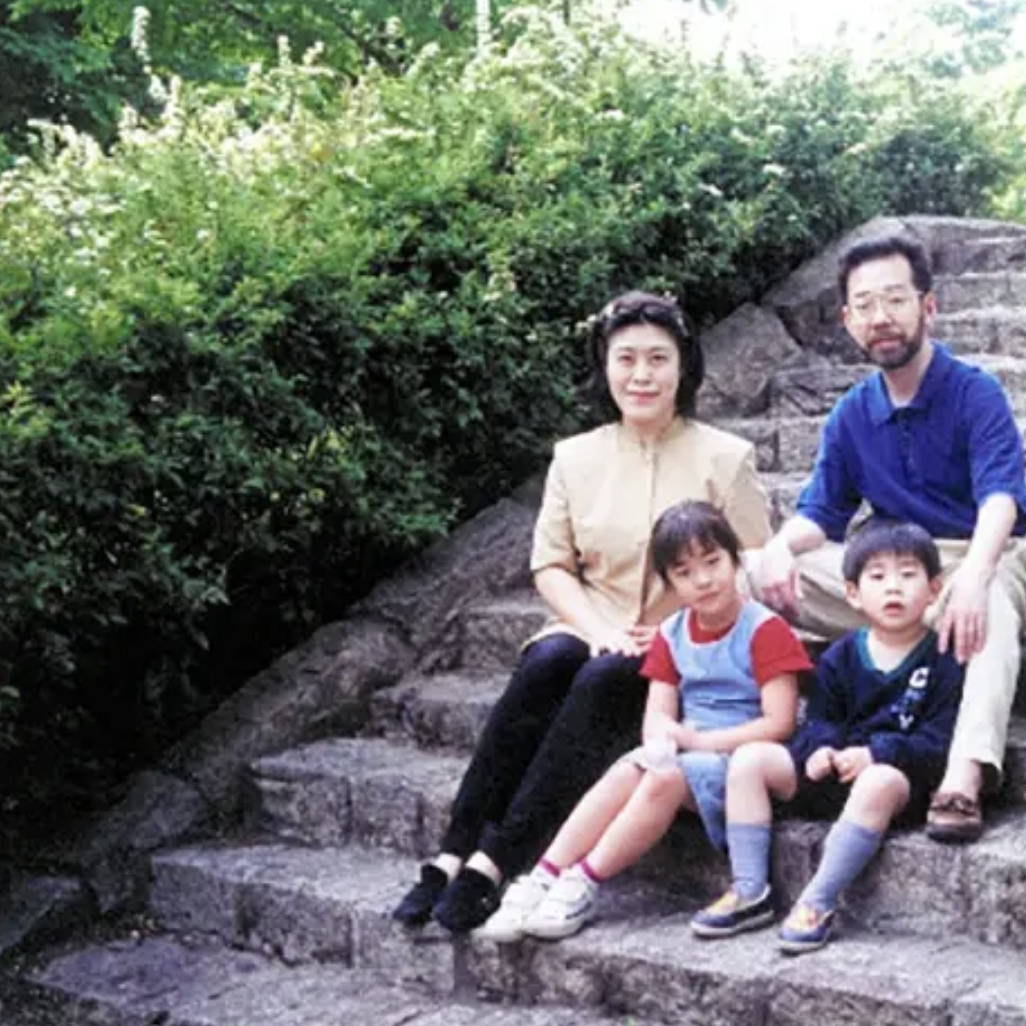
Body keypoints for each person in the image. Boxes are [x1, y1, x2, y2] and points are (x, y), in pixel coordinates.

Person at [391, 292, 773, 933]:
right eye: (626, 359)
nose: (642, 374)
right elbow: (551, 566)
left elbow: (752, 563)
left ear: (685, 366)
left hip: (679, 639)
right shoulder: (575, 456)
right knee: (549, 660)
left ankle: (497, 860)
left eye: (658, 359)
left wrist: (674, 630)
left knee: (604, 676)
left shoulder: (725, 457)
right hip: (589, 621)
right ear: (605, 366)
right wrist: (600, 631)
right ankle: (452, 852)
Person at [752, 233, 1026, 843]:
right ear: (848, 319)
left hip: (979, 555)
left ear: (927, 307)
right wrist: (777, 548)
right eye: (865, 305)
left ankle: (962, 778)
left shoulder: (975, 392)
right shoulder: (852, 413)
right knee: (744, 574)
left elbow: (1001, 500)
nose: (880, 317)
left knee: (986, 610)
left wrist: (975, 575)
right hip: (890, 569)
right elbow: (821, 514)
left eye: (894, 300)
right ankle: (744, 737)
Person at [479, 499, 809, 943]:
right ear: (669, 582)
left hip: (745, 763)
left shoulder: (765, 630)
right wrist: (661, 743)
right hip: (691, 757)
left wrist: (695, 741)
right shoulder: (671, 633)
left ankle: (584, 880)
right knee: (632, 767)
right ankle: (543, 875)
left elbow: (779, 723)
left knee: (664, 777)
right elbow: (657, 715)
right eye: (684, 572)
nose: (703, 579)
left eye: (713, 562)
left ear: (736, 561)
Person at [691, 520, 963, 953]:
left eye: (908, 575)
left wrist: (877, 753)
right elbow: (820, 718)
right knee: (750, 759)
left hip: (894, 784)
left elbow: (940, 742)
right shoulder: (841, 655)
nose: (893, 588)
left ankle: (816, 901)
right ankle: (749, 889)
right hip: (832, 772)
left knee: (879, 781)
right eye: (877, 577)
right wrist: (820, 749)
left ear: (934, 589)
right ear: (852, 593)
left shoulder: (944, 660)